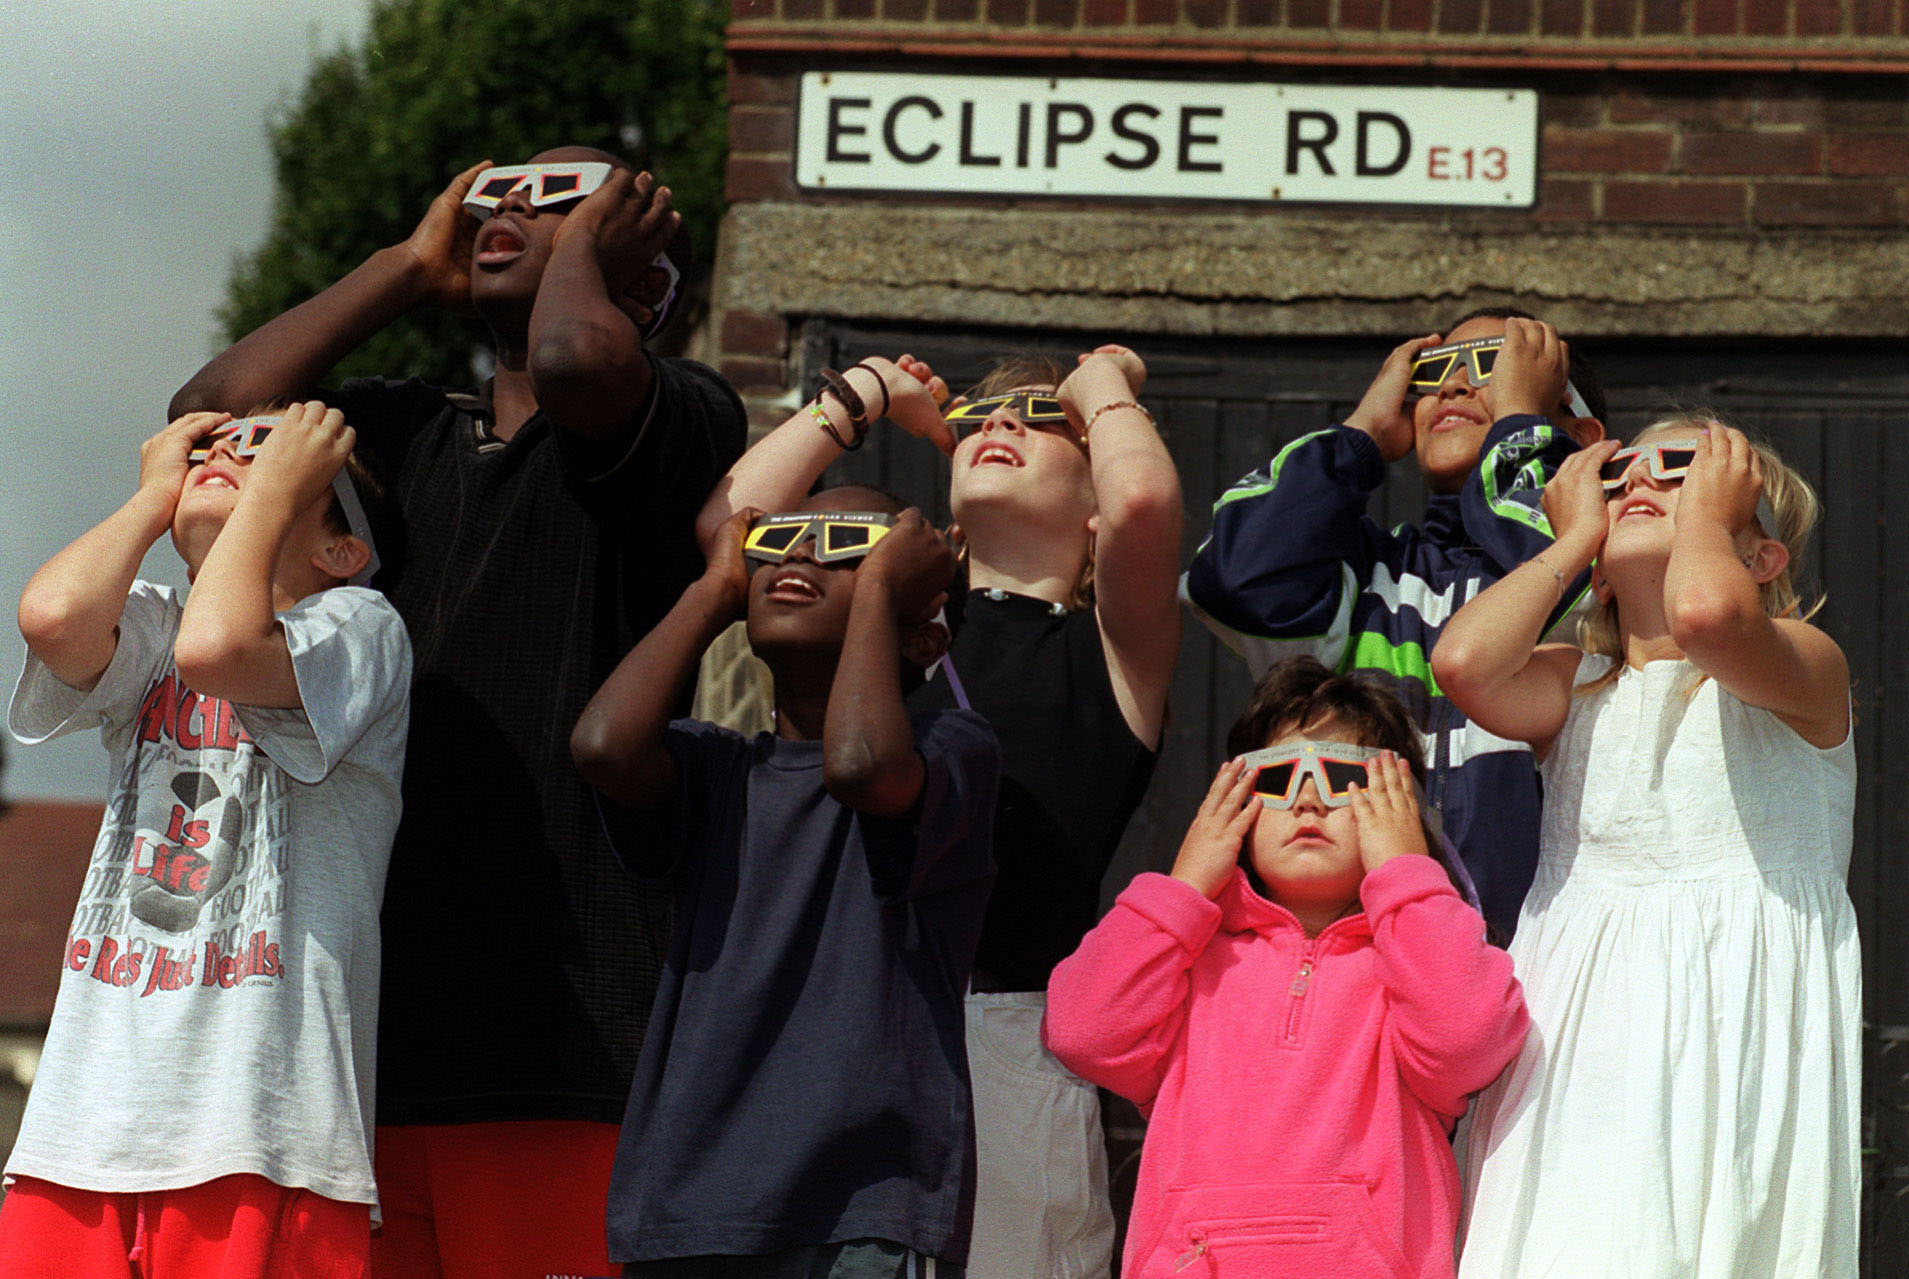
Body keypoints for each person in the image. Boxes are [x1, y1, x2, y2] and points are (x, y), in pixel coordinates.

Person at [170, 147, 747, 1278]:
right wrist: (403, 265)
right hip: (366, 1049)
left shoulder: (684, 416)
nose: (509, 212)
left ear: (643, 277)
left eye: (557, 204)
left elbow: (581, 359)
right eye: (494, 197)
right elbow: (210, 416)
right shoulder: (403, 428)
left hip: (563, 1044)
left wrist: (589, 264)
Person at [698, 345, 1180, 1277]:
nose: (999, 427)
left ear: (1088, 513)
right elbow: (733, 525)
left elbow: (1144, 504)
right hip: (829, 1026)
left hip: (1001, 1050)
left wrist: (1103, 385)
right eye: (980, 421)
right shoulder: (877, 625)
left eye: (1041, 423)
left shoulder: (1112, 651)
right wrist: (869, 394)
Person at [1432, 418, 1859, 1276]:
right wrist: (1577, 537)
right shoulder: (1572, 686)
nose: (1642, 482)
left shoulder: (1801, 668)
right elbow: (1463, 660)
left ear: (1762, 556)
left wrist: (1704, 523)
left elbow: (1707, 618)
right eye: (1622, 469)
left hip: (1725, 1048)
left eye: (1684, 472)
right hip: (1580, 1058)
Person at [0, 402, 408, 1279]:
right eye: (213, 448)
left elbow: (222, 647)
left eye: (268, 453)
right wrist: (153, 498)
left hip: (262, 1138)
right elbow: (52, 615)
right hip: (80, 1132)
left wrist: (255, 497)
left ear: (341, 550)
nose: (228, 455)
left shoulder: (359, 629)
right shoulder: (153, 624)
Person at [570, 486, 999, 1276]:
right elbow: (601, 746)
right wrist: (711, 591)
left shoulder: (951, 749)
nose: (801, 553)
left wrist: (875, 590)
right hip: (686, 1207)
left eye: (846, 544)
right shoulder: (715, 768)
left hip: (860, 1215)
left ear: (918, 627)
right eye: (780, 539)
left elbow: (864, 765)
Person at [1042, 656, 1528, 1279]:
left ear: (1398, 802)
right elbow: (1082, 1029)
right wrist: (1186, 884)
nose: (1306, 800)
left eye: (1342, 777)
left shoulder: (1418, 960)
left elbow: (1471, 1037)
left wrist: (1405, 874)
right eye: (1274, 779)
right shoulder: (1183, 960)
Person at [1183, 310, 1607, 940]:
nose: (1455, 386)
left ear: (1580, 429)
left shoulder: (1616, 557)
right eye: (1432, 373)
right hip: (1372, 967)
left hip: (1557, 966)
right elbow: (1237, 580)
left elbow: (1573, 577)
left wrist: (1524, 428)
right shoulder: (1363, 574)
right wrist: (1362, 438)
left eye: (1494, 366)